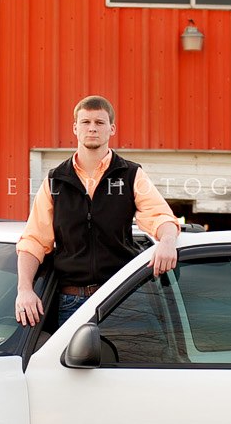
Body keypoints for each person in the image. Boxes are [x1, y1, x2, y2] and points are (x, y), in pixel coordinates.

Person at [15, 95, 181, 327]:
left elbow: (159, 216)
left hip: (123, 298)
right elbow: (33, 241)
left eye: (100, 123)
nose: (92, 128)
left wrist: (167, 241)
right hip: (71, 303)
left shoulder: (131, 175)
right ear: (75, 128)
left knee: (144, 360)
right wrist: (24, 289)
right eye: (86, 122)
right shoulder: (55, 180)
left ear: (111, 128)